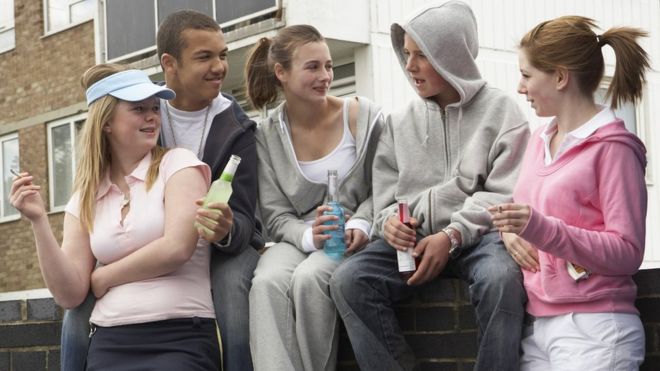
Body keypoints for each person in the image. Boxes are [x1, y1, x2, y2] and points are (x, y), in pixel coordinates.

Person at [329, 1, 530, 370]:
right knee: (349, 281)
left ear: (451, 56)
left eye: (422, 55)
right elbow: (385, 200)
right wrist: (390, 223)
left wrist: (452, 236)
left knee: (501, 279)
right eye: (406, 54)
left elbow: (506, 194)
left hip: (479, 238)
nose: (410, 66)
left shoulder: (503, 112)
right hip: (412, 243)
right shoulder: (398, 122)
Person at [59, 10, 263, 371]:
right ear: (169, 63)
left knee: (231, 289)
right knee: (77, 311)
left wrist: (225, 230)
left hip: (219, 249)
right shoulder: (144, 112)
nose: (219, 66)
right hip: (145, 244)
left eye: (223, 54)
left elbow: (246, 220)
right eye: (205, 57)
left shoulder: (237, 127)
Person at [10, 64, 220, 369]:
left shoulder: (179, 165)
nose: (152, 116)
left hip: (181, 333)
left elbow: (177, 248)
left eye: (154, 108)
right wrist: (39, 221)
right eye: (138, 109)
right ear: (106, 122)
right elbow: (69, 294)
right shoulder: (85, 197)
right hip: (111, 339)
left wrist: (105, 276)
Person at [490, 16, 649, 370]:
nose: (520, 87)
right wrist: (510, 230)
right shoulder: (539, 141)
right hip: (539, 328)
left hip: (596, 331)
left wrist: (538, 228)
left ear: (561, 77)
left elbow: (627, 251)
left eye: (527, 75)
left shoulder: (614, 148)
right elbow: (527, 215)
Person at [244, 24, 383, 371]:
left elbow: (386, 186)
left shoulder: (363, 117)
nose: (325, 76)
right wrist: (309, 236)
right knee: (266, 283)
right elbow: (274, 215)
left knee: (310, 280)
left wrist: (363, 223)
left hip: (352, 235)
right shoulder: (266, 134)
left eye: (329, 66)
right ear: (282, 73)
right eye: (312, 67)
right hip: (296, 239)